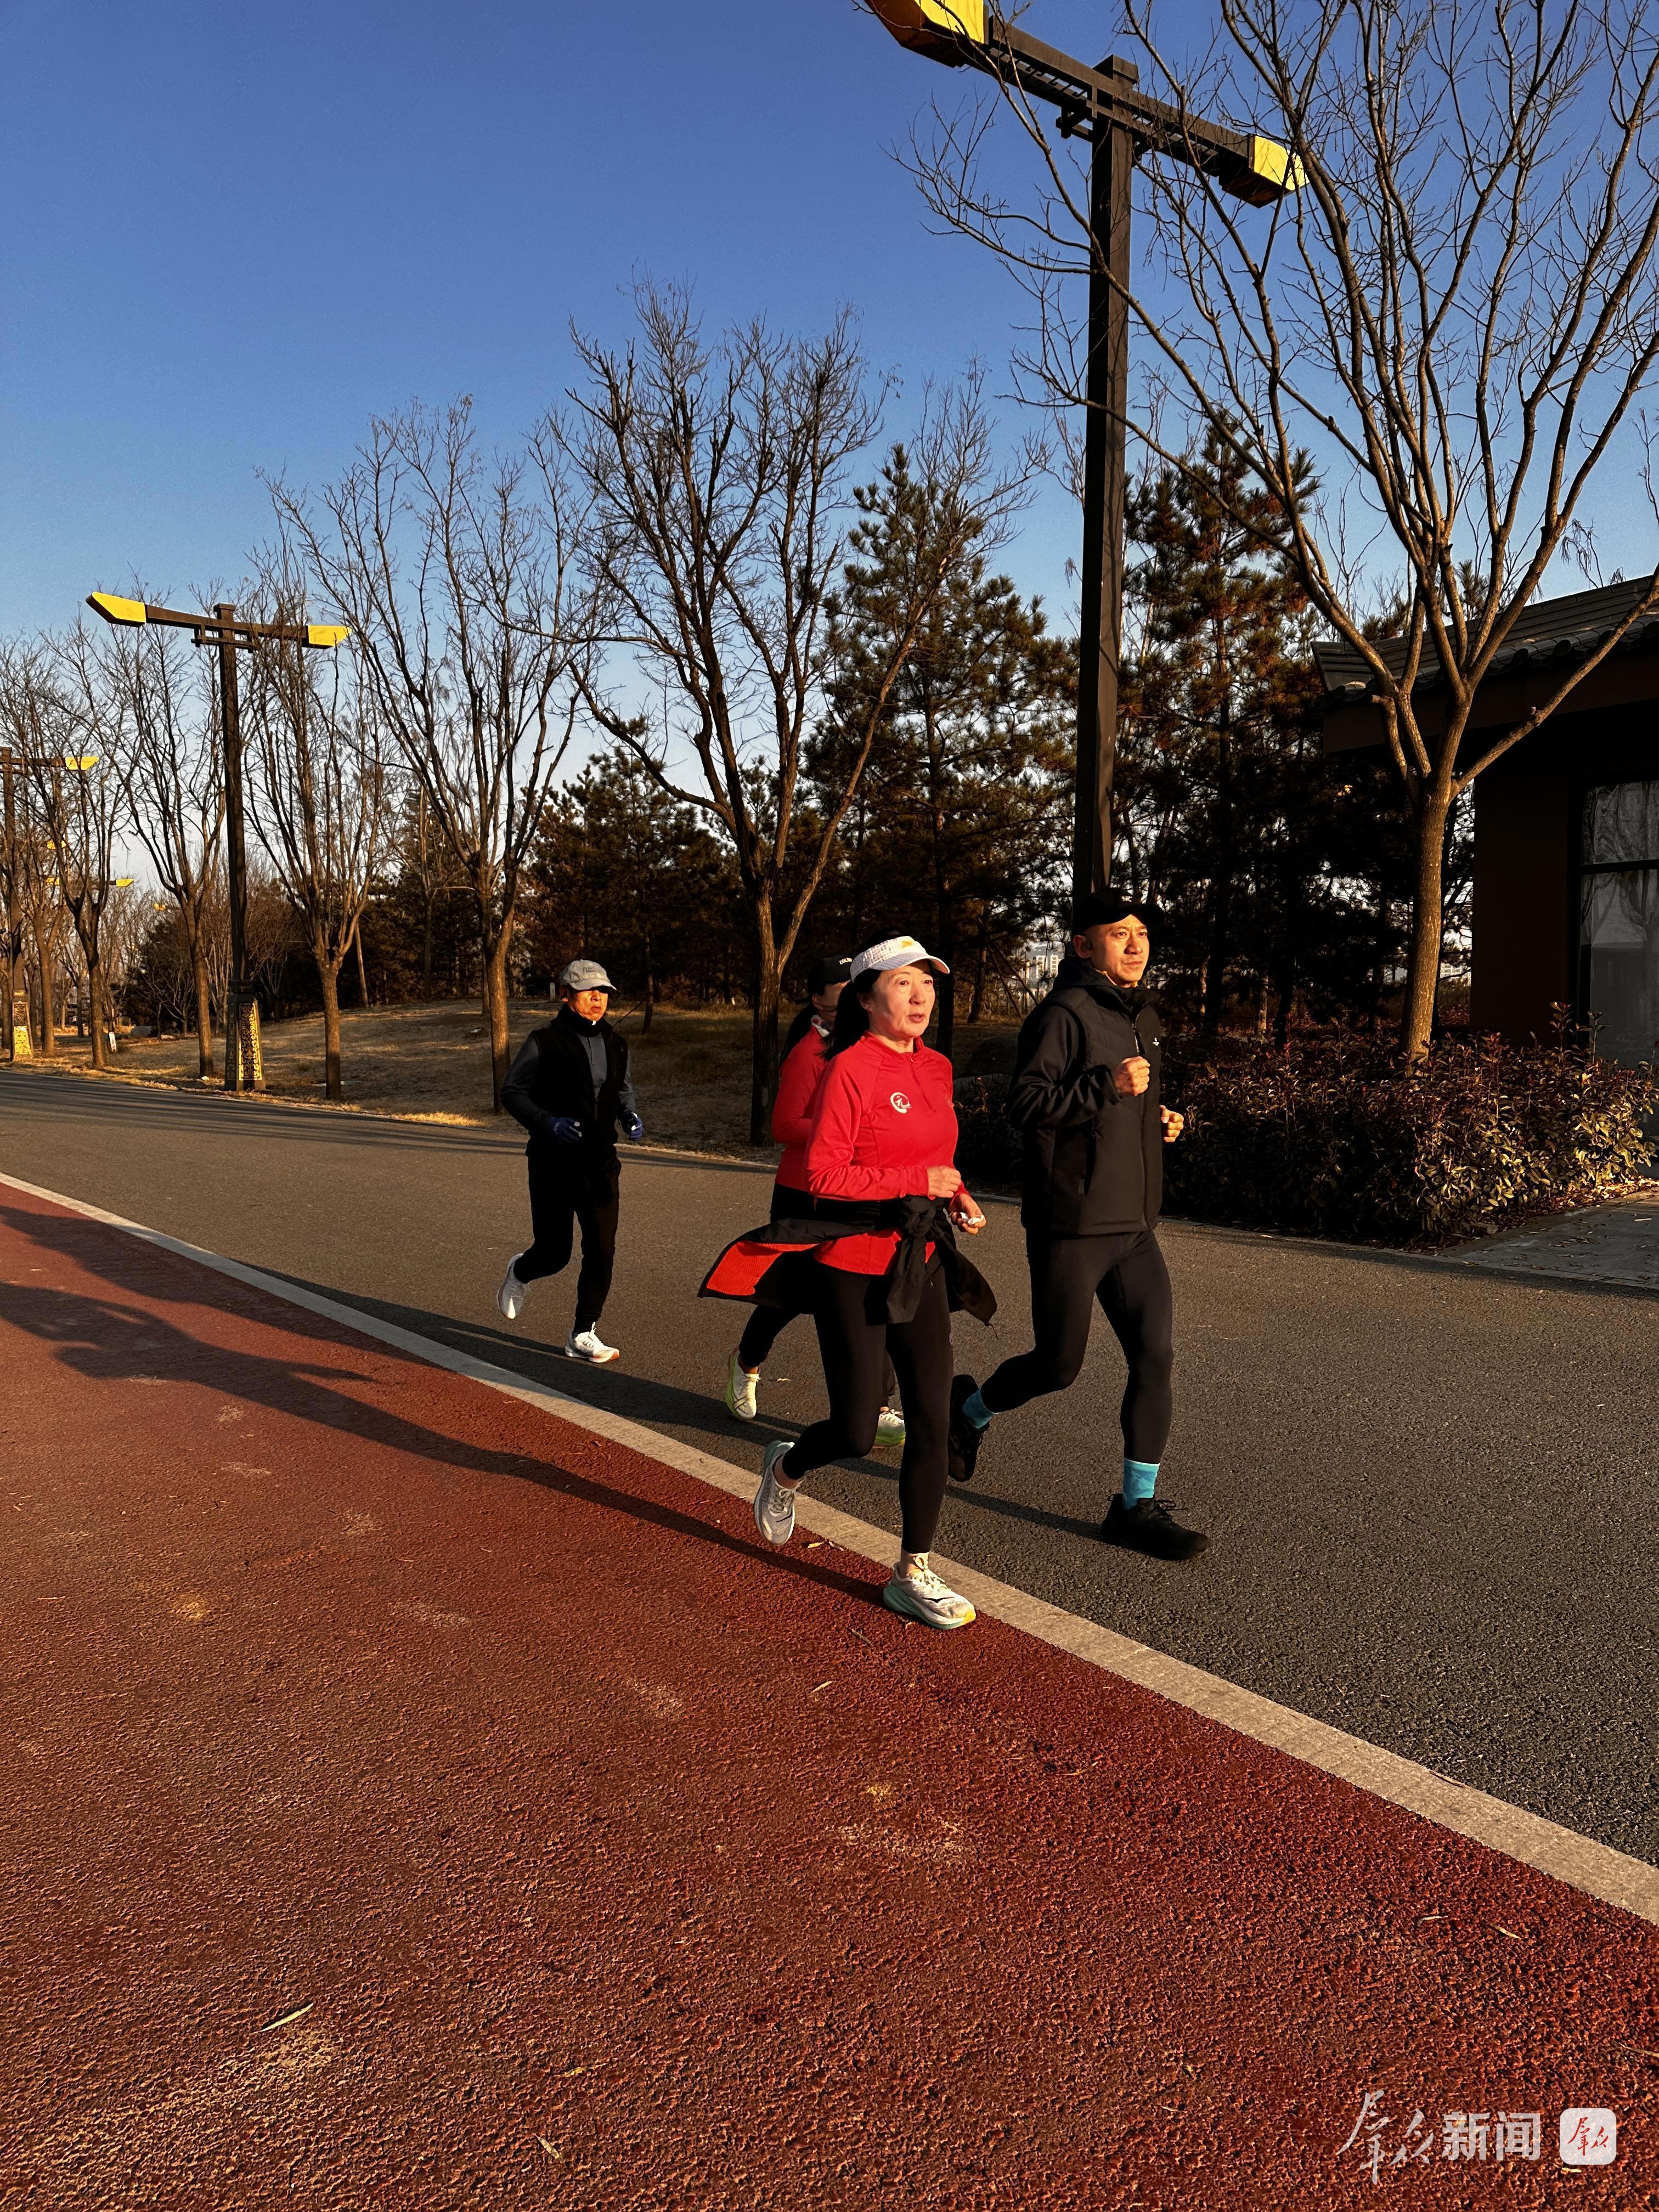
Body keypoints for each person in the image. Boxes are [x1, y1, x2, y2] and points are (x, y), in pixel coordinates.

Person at [702, 935, 995, 1630]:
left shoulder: (937, 1068)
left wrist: (956, 1194)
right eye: (902, 983)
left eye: (928, 982)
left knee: (930, 1420)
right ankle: (786, 1467)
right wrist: (915, 1180)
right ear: (866, 998)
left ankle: (913, 1571)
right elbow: (824, 1175)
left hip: (921, 1260)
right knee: (858, 1431)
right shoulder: (849, 1068)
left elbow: (936, 1157)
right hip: (851, 1268)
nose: (920, 995)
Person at [947, 893, 1205, 1561]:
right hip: (1073, 1224)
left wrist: (1156, 1118)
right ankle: (967, 1413)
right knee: (1058, 1366)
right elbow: (1026, 1104)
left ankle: (1134, 1508)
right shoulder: (1062, 1015)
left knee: (1155, 1357)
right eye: (1119, 933)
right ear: (1083, 947)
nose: (1136, 944)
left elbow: (1119, 1105)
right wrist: (1107, 1088)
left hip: (1135, 1225)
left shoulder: (1142, 1015)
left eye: (1142, 933)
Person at [722, 957, 906, 1449]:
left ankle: (877, 1403)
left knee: (871, 1291)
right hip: (805, 1193)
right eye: (841, 990)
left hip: (857, 1192)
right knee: (791, 1296)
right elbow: (784, 1126)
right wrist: (846, 1129)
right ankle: (747, 1362)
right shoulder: (809, 1053)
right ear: (818, 1000)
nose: (853, 998)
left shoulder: (873, 1050)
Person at [496, 958, 643, 1364]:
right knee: (555, 1252)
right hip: (553, 1162)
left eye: (604, 991)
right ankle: (521, 1272)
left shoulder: (617, 1041)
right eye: (588, 990)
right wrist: (547, 1122)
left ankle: (583, 1332)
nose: (598, 998)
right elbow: (512, 1092)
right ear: (566, 995)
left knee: (602, 1250)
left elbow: (622, 1088)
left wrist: (629, 1114)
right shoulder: (543, 1041)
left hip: (601, 1162)